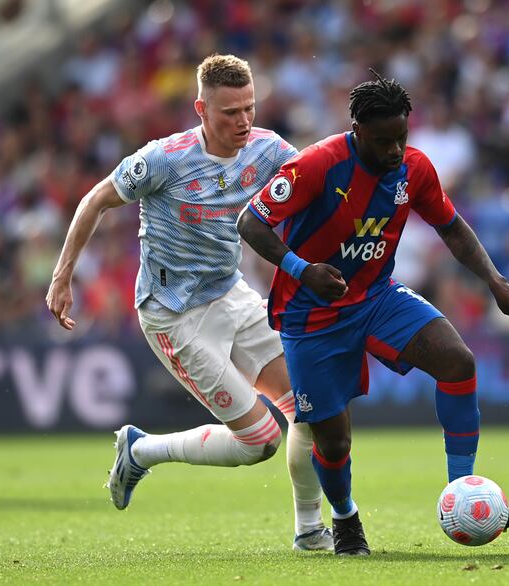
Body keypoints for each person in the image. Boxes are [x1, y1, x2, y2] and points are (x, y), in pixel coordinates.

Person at [238, 71, 509, 556]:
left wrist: (495, 280)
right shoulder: (317, 165)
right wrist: (301, 268)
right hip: (312, 315)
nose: (396, 150)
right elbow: (250, 221)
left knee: (458, 361)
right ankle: (344, 518)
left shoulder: (415, 168)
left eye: (402, 137)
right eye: (383, 141)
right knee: (332, 443)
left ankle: (461, 493)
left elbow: (452, 227)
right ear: (356, 130)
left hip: (377, 297)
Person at [46, 54, 333, 551]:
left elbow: (320, 183)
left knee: (309, 406)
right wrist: (62, 276)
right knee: (260, 441)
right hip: (173, 314)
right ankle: (142, 450)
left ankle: (310, 531)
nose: (243, 121)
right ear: (201, 108)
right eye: (229, 112)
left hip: (232, 294)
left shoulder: (266, 149)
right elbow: (95, 199)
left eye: (249, 108)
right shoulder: (163, 159)